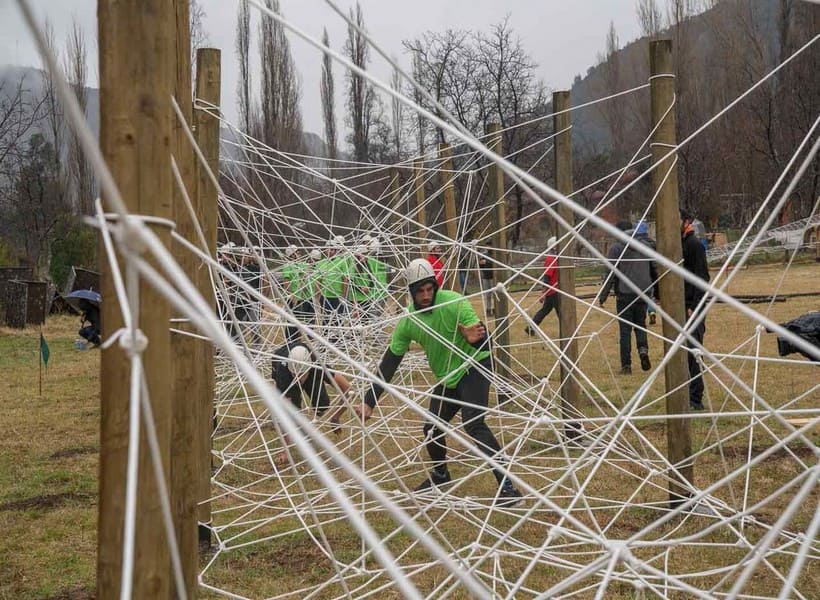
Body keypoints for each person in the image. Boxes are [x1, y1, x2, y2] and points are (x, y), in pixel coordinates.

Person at [353, 258, 522, 506]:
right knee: (432, 428)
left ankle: (508, 487)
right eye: (419, 291)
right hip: (448, 377)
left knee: (474, 422)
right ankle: (441, 477)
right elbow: (390, 362)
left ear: (435, 286)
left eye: (429, 289)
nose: (425, 295)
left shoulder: (454, 302)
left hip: (475, 366)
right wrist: (369, 402)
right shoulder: (408, 320)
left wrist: (474, 338)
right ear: (411, 292)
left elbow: (485, 341)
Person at [271, 342, 352, 463]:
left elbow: (348, 390)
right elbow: (285, 415)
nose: (298, 378)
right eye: (295, 374)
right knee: (293, 412)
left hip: (311, 372)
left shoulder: (317, 366)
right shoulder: (284, 374)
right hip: (281, 364)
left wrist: (336, 417)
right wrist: (285, 451)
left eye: (301, 375)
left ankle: (316, 388)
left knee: (322, 404)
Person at [598, 221, 658, 375]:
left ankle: (626, 365)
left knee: (625, 331)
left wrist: (603, 296)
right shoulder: (646, 246)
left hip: (624, 295)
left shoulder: (616, 248)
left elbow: (610, 274)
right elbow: (654, 270)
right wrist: (656, 293)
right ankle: (643, 351)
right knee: (640, 326)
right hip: (642, 294)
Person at [681, 209, 710, 411]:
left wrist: (694, 306)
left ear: (686, 221)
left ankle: (695, 398)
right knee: (681, 352)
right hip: (679, 305)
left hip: (692, 306)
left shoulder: (694, 246)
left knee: (694, 351)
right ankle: (683, 392)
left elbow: (702, 278)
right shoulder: (677, 246)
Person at [525, 236, 560, 336]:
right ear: (553, 247)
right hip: (553, 291)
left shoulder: (556, 258)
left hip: (553, 290)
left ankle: (530, 328)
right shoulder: (551, 259)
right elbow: (547, 277)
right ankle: (568, 331)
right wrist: (543, 293)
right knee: (561, 312)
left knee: (545, 310)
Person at [281, 245, 315, 343]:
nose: (299, 254)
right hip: (295, 298)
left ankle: (309, 339)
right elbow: (286, 283)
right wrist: (292, 295)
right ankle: (291, 341)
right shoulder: (288, 266)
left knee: (309, 319)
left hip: (306, 297)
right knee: (293, 321)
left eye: (299, 251)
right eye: (297, 252)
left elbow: (308, 273)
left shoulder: (303, 265)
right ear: (292, 255)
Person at [634, 221, 658, 325]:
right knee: (651, 295)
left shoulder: (634, 244)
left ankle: (641, 315)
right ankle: (652, 311)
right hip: (651, 272)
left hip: (639, 273)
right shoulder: (653, 243)